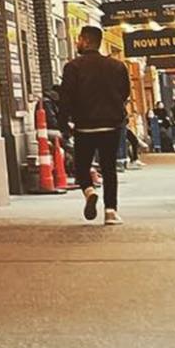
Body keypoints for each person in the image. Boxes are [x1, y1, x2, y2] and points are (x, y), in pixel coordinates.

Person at [59, 26, 133, 225]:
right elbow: (125, 93)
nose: (77, 43)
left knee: (81, 166)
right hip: (111, 125)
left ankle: (89, 191)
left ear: (84, 40)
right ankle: (111, 212)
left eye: (79, 40)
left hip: (84, 126)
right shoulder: (117, 67)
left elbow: (65, 98)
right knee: (109, 169)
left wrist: (64, 123)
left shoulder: (72, 67)